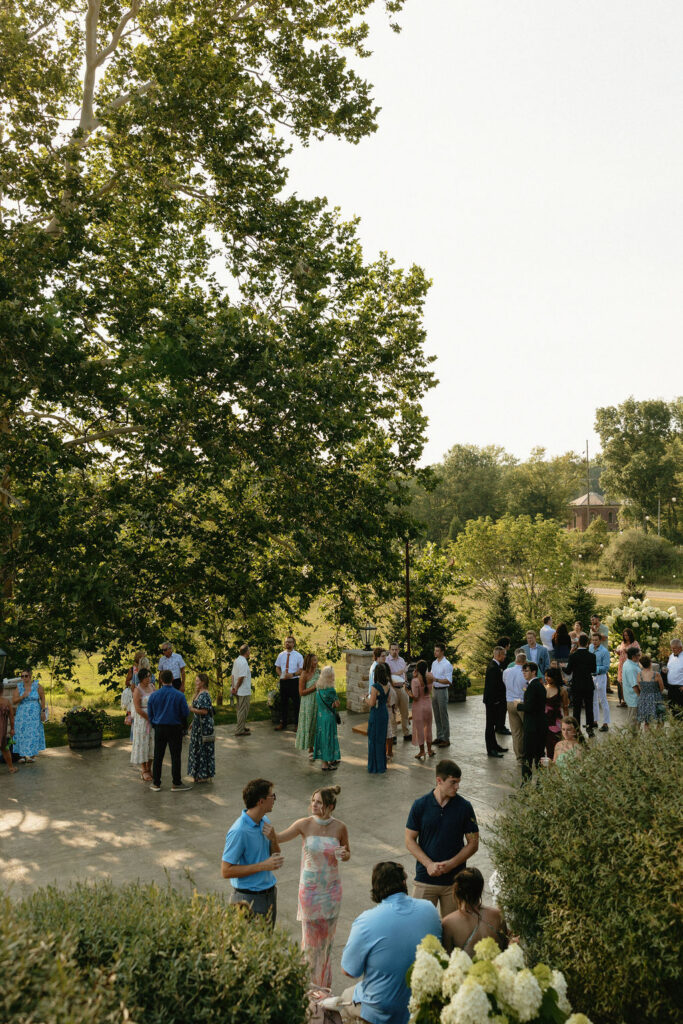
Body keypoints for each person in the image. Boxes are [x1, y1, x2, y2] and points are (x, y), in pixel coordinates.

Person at [341, 861, 441, 1024]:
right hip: (424, 1005)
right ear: (403, 882)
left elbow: (349, 971)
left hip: (383, 1011)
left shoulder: (366, 921)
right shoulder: (429, 909)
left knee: (345, 997)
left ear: (376, 889)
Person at [274, 785, 350, 987]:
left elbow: (347, 853)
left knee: (326, 943)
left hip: (332, 891)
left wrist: (344, 855)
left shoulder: (340, 827)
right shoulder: (304, 824)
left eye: (319, 802)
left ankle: (323, 986)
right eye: (313, 801)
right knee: (309, 942)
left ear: (330, 806)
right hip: (310, 892)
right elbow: (279, 838)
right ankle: (307, 987)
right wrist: (264, 827)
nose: (314, 805)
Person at [405, 759, 479, 916]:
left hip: (454, 882)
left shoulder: (465, 807)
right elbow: (409, 840)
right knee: (419, 927)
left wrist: (451, 865)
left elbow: (473, 843)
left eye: (458, 782)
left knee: (454, 931)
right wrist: (429, 864)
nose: (457, 787)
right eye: (453, 782)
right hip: (425, 879)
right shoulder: (420, 805)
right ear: (439, 780)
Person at [221, 777, 283, 925]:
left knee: (267, 945)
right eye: (271, 796)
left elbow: (275, 854)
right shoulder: (239, 831)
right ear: (261, 801)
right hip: (247, 899)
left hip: (268, 894)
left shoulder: (265, 821)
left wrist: (273, 839)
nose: (274, 799)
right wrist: (263, 865)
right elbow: (226, 870)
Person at [441, 867, 508, 955]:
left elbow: (447, 959)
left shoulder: (448, 923)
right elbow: (505, 948)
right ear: (481, 889)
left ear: (456, 890)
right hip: (497, 967)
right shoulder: (498, 915)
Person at [147, 669, 191, 791]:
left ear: (161, 680)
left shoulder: (154, 695)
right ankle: (176, 782)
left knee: (158, 756)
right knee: (175, 756)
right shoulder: (179, 695)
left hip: (159, 727)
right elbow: (185, 713)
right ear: (172, 679)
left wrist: (155, 724)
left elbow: (150, 714)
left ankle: (156, 783)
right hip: (175, 728)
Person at [515, 663, 547, 782]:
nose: (524, 673)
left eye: (526, 671)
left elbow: (530, 707)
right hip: (540, 725)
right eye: (523, 671)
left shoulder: (533, 686)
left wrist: (518, 706)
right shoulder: (538, 685)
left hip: (533, 727)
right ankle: (541, 784)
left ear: (534, 672)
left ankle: (526, 787)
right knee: (539, 755)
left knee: (528, 757)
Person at [564, 634, 597, 736]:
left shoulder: (573, 656)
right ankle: (589, 729)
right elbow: (593, 670)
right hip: (588, 684)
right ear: (588, 643)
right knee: (589, 707)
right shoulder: (592, 656)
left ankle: (577, 730)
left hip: (577, 685)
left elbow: (568, 671)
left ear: (578, 643)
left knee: (576, 708)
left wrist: (562, 667)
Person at [12, 669, 46, 763]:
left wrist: (43, 711)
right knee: (21, 733)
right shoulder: (19, 687)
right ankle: (22, 755)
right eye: (22, 676)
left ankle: (32, 755)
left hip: (34, 714)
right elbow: (14, 701)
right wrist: (22, 696)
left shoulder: (37, 686)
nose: (24, 678)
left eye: (26, 676)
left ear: (30, 676)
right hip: (22, 715)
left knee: (33, 733)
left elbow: (43, 698)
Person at [187, 672, 215, 782]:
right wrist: (193, 722)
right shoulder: (198, 693)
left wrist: (191, 709)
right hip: (198, 725)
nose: (196, 682)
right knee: (196, 749)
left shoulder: (205, 695)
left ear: (203, 682)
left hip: (204, 727)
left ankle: (204, 774)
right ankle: (197, 773)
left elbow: (204, 711)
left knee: (203, 749)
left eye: (197, 681)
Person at [130, 666, 156, 781]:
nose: (149, 679)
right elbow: (138, 708)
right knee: (143, 744)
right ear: (141, 679)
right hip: (142, 720)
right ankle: (144, 769)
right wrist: (148, 717)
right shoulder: (137, 690)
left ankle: (150, 768)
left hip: (153, 719)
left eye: (149, 676)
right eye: (146, 677)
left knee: (152, 743)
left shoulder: (152, 687)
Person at [313, 665, 341, 771]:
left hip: (320, 718)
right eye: (332, 676)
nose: (334, 677)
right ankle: (326, 764)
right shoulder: (331, 690)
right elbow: (337, 704)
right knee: (329, 739)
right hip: (329, 718)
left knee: (323, 738)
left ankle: (326, 761)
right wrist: (333, 704)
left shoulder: (318, 688)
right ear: (329, 677)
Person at [365, 661, 390, 774]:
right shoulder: (387, 685)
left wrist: (364, 698)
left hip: (376, 714)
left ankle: (374, 766)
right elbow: (387, 700)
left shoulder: (375, 687)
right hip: (384, 713)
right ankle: (382, 765)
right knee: (381, 739)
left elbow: (371, 703)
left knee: (373, 739)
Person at [274, 635, 303, 730]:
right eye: (286, 642)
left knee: (296, 703)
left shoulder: (298, 655)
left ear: (293, 643)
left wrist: (292, 674)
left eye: (290, 642)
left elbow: (302, 669)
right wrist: (281, 675)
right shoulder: (281, 655)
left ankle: (297, 724)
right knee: (283, 703)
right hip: (283, 682)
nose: (287, 643)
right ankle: (283, 723)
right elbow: (277, 668)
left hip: (294, 681)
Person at [483, 646, 508, 758]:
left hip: (494, 701)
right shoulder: (493, 668)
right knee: (490, 725)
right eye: (503, 654)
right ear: (498, 655)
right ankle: (490, 749)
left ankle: (495, 745)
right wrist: (496, 701)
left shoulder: (496, 666)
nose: (505, 656)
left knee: (492, 725)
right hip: (492, 701)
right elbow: (493, 687)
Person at [503, 651, 527, 765]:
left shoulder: (507, 671)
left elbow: (505, 683)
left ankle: (519, 757)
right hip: (521, 702)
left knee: (516, 732)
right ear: (524, 662)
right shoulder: (524, 673)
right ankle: (528, 753)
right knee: (526, 729)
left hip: (510, 701)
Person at [295, 652, 320, 758]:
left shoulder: (318, 671)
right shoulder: (304, 674)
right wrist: (313, 687)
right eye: (314, 660)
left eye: (316, 660)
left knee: (317, 724)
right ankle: (310, 748)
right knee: (310, 723)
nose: (316, 662)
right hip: (308, 703)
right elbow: (301, 692)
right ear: (309, 662)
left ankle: (318, 746)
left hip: (318, 701)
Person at [386, 643, 411, 742]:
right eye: (392, 649)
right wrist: (399, 672)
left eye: (396, 650)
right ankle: (393, 735)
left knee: (405, 712)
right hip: (393, 689)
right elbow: (387, 675)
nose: (394, 651)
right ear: (389, 650)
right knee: (393, 713)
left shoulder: (401, 660)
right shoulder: (387, 661)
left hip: (402, 688)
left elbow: (404, 673)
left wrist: (405, 682)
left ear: (399, 650)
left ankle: (406, 733)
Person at [410, 659, 434, 760]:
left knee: (419, 729)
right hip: (428, 705)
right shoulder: (430, 677)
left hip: (419, 707)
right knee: (428, 728)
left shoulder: (415, 681)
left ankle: (422, 751)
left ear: (417, 669)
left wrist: (407, 691)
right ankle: (429, 750)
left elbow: (415, 696)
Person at [430, 643, 453, 748]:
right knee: (437, 714)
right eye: (435, 650)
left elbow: (448, 681)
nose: (435, 652)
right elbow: (431, 675)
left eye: (437, 651)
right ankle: (439, 736)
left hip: (442, 691)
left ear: (442, 652)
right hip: (434, 690)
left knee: (443, 715)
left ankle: (446, 739)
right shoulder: (434, 663)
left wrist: (436, 680)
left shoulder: (447, 664)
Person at [543, 667, 569, 759]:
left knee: (554, 745)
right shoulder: (543, 688)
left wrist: (566, 723)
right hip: (543, 721)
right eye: (545, 676)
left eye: (549, 676)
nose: (546, 678)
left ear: (555, 677)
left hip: (555, 722)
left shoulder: (562, 691)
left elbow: (565, 708)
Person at [589, 630, 611, 732]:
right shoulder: (590, 648)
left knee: (603, 700)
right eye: (593, 640)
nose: (594, 642)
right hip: (591, 677)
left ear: (600, 641)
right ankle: (595, 721)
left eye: (596, 640)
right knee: (593, 700)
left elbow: (606, 667)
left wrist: (594, 668)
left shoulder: (604, 651)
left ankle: (606, 723)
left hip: (601, 676)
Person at [636, 655, 666, 727]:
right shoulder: (656, 674)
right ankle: (657, 736)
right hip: (656, 698)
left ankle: (648, 737)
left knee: (647, 721)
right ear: (650, 663)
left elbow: (640, 687)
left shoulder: (639, 674)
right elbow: (662, 687)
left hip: (644, 699)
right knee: (660, 720)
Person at [231, 643, 252, 737]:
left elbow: (232, 675)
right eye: (249, 650)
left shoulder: (237, 660)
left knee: (239, 709)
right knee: (243, 710)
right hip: (243, 690)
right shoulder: (243, 662)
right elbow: (241, 677)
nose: (250, 652)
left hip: (237, 689)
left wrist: (233, 687)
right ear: (246, 652)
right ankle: (239, 730)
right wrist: (236, 688)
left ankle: (241, 726)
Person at [616, 628, 640, 707]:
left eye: (627, 635)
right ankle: (623, 700)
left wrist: (628, 651)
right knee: (622, 682)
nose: (626, 637)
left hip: (630, 664)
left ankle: (631, 700)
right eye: (624, 635)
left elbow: (638, 652)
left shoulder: (635, 643)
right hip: (622, 664)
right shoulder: (623, 643)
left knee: (630, 682)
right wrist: (618, 652)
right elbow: (621, 653)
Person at [494, 636, 512, 737]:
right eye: (509, 644)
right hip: (502, 686)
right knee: (502, 707)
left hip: (501, 686)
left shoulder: (499, 656)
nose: (510, 646)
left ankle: (499, 725)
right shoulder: (504, 658)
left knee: (501, 708)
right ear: (506, 646)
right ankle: (500, 726)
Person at [661, 638, 683, 714]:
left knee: (680, 711)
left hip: (680, 688)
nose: (673, 650)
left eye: (675, 648)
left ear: (680, 648)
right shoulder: (671, 656)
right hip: (671, 687)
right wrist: (665, 669)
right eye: (672, 648)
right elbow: (670, 668)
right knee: (672, 709)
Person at [621, 645, 641, 727]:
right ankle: (633, 740)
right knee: (633, 724)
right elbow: (634, 685)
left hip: (631, 698)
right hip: (634, 699)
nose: (640, 656)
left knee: (633, 722)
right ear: (633, 657)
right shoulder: (631, 668)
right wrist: (641, 697)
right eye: (638, 655)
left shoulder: (628, 663)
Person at [0, 695, 16, 773]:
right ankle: (11, 768)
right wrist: (12, 729)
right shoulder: (6, 702)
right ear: (2, 691)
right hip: (2, 732)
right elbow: (11, 717)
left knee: (5, 749)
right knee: (5, 749)